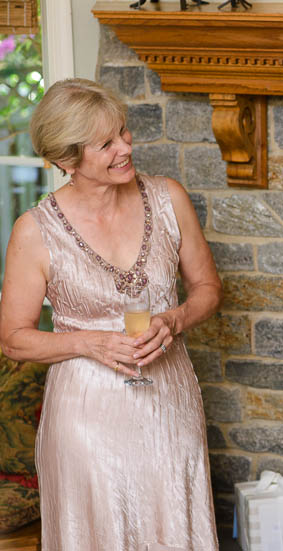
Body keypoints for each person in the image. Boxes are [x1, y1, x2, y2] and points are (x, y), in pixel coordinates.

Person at [0, 78, 221, 550]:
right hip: (86, 419)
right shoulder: (35, 232)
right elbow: (14, 338)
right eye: (106, 143)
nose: (125, 147)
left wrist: (174, 319)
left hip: (169, 404)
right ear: (66, 160)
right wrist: (87, 342)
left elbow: (207, 289)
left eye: (123, 132)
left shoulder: (168, 199)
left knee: (172, 529)